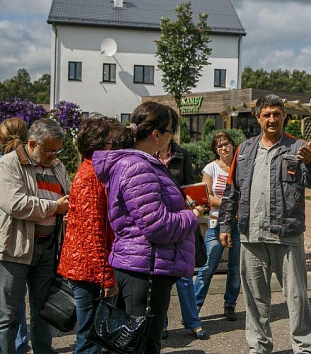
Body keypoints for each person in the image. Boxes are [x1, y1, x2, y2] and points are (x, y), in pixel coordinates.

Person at [219, 94, 311, 354]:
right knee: (255, 299)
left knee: (297, 297)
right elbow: (232, 190)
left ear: (284, 116)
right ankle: (259, 346)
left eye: (276, 114)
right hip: (251, 234)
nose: (272, 119)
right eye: (266, 114)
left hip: (286, 234)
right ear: (257, 117)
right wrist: (224, 225)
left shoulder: (300, 147)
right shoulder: (244, 150)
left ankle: (303, 348)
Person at [92, 101, 200, 354]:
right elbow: (158, 226)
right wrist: (191, 215)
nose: (172, 137)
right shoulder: (138, 166)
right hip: (145, 268)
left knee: (140, 342)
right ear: (157, 135)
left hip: (144, 265)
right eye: (171, 131)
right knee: (141, 344)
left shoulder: (140, 164)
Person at [0, 118, 71, 354]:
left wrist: (68, 209)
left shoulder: (57, 166)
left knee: (44, 310)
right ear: (32, 144)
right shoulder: (9, 164)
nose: (54, 156)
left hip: (48, 247)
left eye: (57, 150)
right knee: (8, 314)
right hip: (16, 249)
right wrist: (55, 208)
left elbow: (69, 196)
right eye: (49, 150)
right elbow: (17, 204)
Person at [57, 117, 119, 353]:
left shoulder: (90, 171)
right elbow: (93, 232)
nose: (115, 147)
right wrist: (106, 278)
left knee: (92, 336)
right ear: (99, 145)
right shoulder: (92, 176)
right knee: (91, 339)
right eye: (111, 142)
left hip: (86, 267)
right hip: (90, 271)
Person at [157, 134, 209, 340]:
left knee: (185, 276)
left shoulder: (181, 155)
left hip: (181, 219)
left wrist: (193, 203)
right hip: (159, 219)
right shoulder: (147, 155)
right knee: (161, 275)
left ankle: (193, 322)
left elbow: (189, 184)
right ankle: (161, 324)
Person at [194, 132, 240, 320]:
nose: (224, 148)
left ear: (232, 145)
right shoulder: (210, 168)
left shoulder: (239, 167)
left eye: (227, 144)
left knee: (235, 268)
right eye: (220, 146)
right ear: (215, 150)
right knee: (207, 268)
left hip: (237, 224)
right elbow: (207, 197)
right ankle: (194, 308)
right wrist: (230, 204)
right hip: (216, 223)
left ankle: (230, 305)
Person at [0, 118, 32, 354]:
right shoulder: (27, 163)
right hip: (19, 239)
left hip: (7, 238)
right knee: (15, 300)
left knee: (7, 305)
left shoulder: (6, 163)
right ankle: (20, 344)